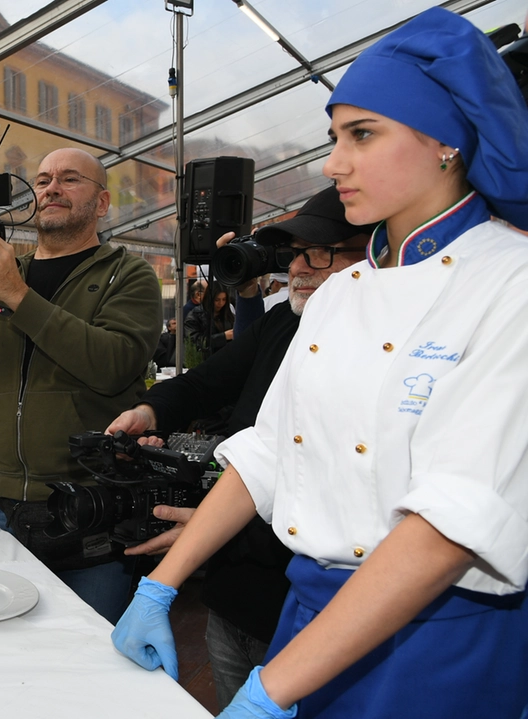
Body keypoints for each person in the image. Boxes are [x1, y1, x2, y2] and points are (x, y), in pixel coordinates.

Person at [111, 10, 528, 717]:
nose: (334, 165)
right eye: (335, 137)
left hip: (437, 638)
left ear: (447, 143)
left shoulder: (511, 283)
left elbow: (450, 525)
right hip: (306, 615)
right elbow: (270, 452)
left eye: (363, 134)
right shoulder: (341, 294)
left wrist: (268, 689)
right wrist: (163, 584)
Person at [106, 185, 373, 707]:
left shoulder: (388, 353)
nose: (298, 268)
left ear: (374, 251)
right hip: (231, 600)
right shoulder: (282, 325)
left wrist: (210, 535)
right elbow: (213, 392)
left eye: (318, 253)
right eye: (293, 253)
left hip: (309, 614)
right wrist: (149, 410)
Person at [0, 148, 163, 622]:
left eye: (70, 179)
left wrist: (16, 294)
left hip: (91, 510)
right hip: (4, 506)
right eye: (44, 178)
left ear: (103, 202)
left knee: (90, 660)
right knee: (5, 652)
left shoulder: (126, 274)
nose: (51, 188)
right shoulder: (3, 277)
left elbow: (113, 364)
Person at [186, 285, 234, 353]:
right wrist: (223, 337)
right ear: (210, 299)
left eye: (224, 299)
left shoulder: (229, 315)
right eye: (217, 300)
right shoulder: (195, 316)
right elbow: (194, 341)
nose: (221, 303)